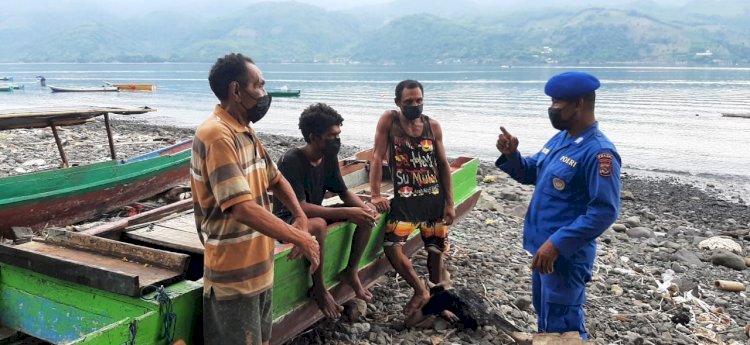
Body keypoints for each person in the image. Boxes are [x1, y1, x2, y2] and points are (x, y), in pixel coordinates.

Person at [191, 53, 320, 345]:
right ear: (236, 91)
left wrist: (299, 215)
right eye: (259, 86)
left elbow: (275, 178)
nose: (264, 94)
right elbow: (242, 209)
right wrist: (300, 239)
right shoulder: (217, 135)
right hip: (234, 280)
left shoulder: (245, 130)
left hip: (260, 270)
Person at [495, 71, 621, 339]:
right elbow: (532, 173)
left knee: (565, 327)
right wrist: (511, 155)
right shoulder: (561, 139)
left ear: (579, 104)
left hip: (565, 256)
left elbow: (604, 211)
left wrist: (557, 243)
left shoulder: (599, 152)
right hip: (544, 251)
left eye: (557, 103)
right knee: (548, 319)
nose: (551, 109)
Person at [272, 102, 380, 319]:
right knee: (319, 225)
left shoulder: (327, 157)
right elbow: (300, 207)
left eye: (338, 134)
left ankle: (351, 271)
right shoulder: (291, 161)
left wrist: (364, 209)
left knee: (364, 218)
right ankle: (319, 287)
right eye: (332, 135)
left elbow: (343, 192)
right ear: (313, 137)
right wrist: (348, 213)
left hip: (316, 213)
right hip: (290, 220)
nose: (337, 140)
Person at [369, 79, 456, 317]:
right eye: (408, 101)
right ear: (398, 102)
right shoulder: (390, 120)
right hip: (405, 201)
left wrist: (450, 203)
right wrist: (375, 194)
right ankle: (419, 290)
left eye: (419, 100)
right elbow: (377, 157)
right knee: (392, 247)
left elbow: (443, 166)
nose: (414, 105)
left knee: (435, 252)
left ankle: (437, 298)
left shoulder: (433, 126)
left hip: (433, 199)